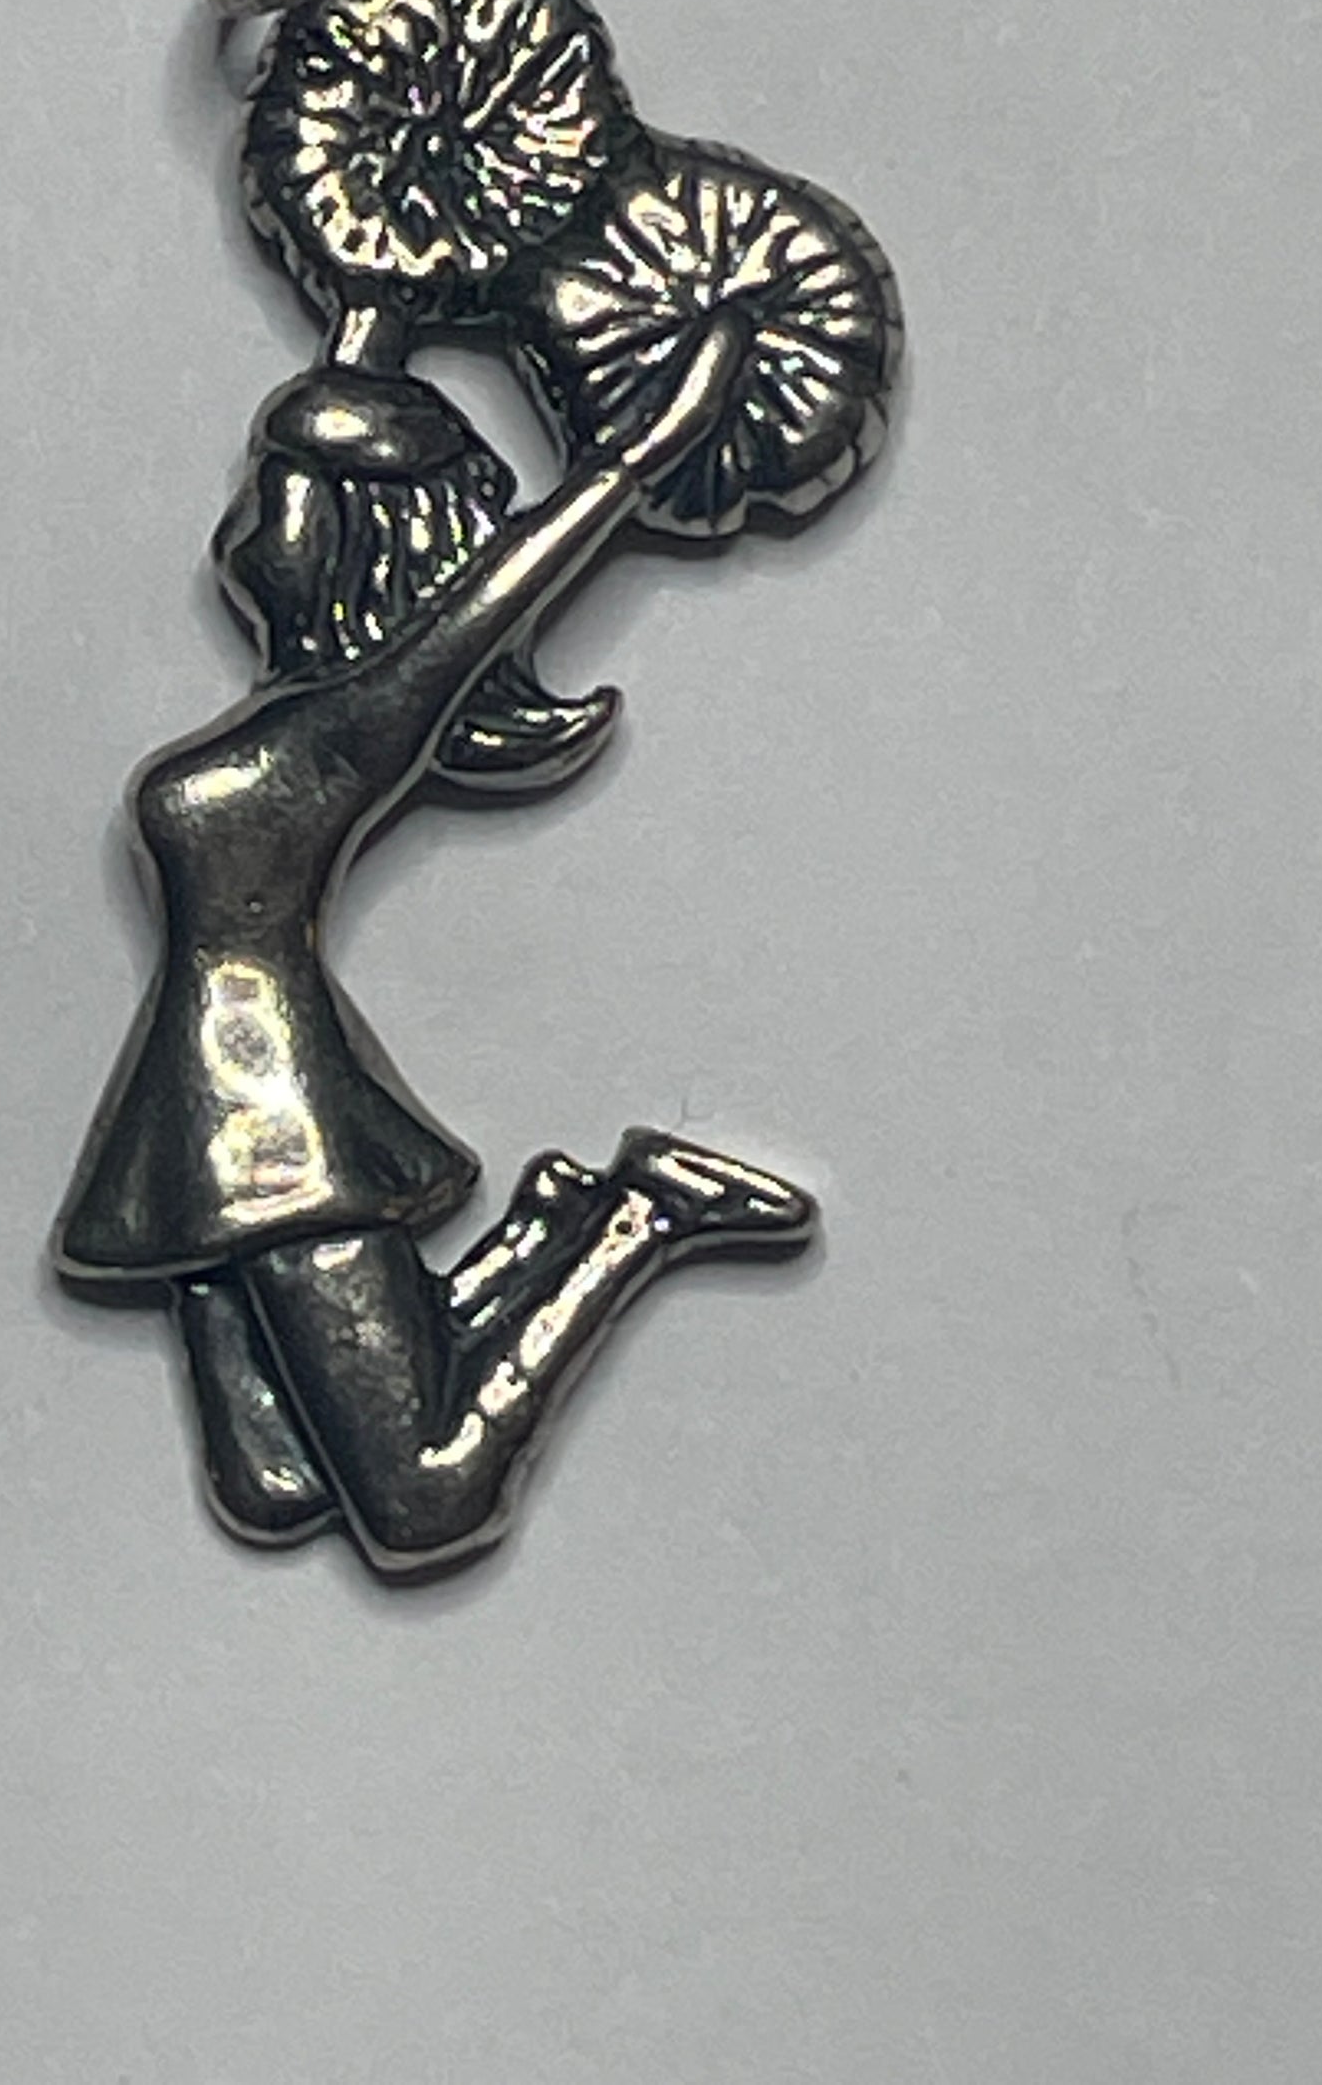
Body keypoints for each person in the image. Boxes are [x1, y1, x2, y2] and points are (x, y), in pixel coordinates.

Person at [53, 312, 817, 1574]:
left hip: (280, 1125)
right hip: (195, 1105)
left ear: (367, 534)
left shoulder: (357, 721)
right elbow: (353, 340)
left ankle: (637, 1216)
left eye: (299, 487)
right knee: (271, 1481)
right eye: (266, 477)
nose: (262, 510)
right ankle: (541, 1228)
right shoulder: (291, 706)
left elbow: (498, 593)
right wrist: (376, 287)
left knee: (423, 1502)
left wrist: (634, 461)